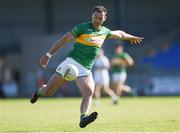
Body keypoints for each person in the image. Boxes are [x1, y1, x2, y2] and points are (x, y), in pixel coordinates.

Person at [30, 6, 143, 128]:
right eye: (95, 17)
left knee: (89, 91)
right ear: (92, 15)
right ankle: (39, 91)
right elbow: (64, 40)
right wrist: (48, 55)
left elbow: (119, 33)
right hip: (71, 63)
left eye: (100, 18)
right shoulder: (82, 27)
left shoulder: (104, 31)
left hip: (85, 69)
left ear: (104, 18)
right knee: (48, 92)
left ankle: (83, 117)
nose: (97, 20)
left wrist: (130, 37)